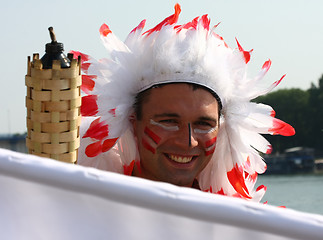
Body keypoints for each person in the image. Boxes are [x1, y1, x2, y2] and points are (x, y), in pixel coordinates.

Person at [75, 3, 295, 202]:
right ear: (133, 122)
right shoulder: (85, 209)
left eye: (204, 124)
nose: (188, 142)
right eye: (169, 121)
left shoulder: (236, 225)